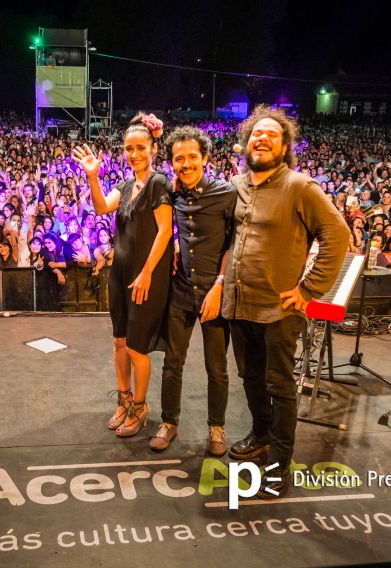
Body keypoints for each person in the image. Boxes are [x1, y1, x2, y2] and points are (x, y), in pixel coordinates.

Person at [221, 106, 349, 499]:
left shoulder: (300, 186)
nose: (261, 139)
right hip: (240, 302)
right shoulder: (237, 184)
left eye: (271, 135)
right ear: (246, 142)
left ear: (285, 145)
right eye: (256, 134)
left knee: (280, 386)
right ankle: (260, 435)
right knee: (250, 377)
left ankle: (279, 461)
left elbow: (338, 234)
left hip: (280, 308)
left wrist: (309, 290)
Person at [73, 113, 173, 437]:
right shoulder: (126, 185)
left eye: (141, 147)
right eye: (129, 148)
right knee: (119, 341)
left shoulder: (159, 183)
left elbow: (164, 233)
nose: (134, 154)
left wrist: (146, 273)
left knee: (136, 348)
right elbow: (102, 206)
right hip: (120, 274)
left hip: (145, 277)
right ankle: (124, 399)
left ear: (153, 148)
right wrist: (92, 176)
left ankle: (141, 408)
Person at [149, 126, 236, 456]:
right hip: (182, 292)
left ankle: (217, 427)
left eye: (191, 157)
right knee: (173, 363)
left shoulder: (226, 194)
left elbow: (234, 244)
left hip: (214, 295)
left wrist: (219, 285)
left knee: (217, 368)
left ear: (205, 158)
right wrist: (173, 247)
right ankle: (169, 422)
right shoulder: (173, 193)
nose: (185, 164)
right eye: (178, 159)